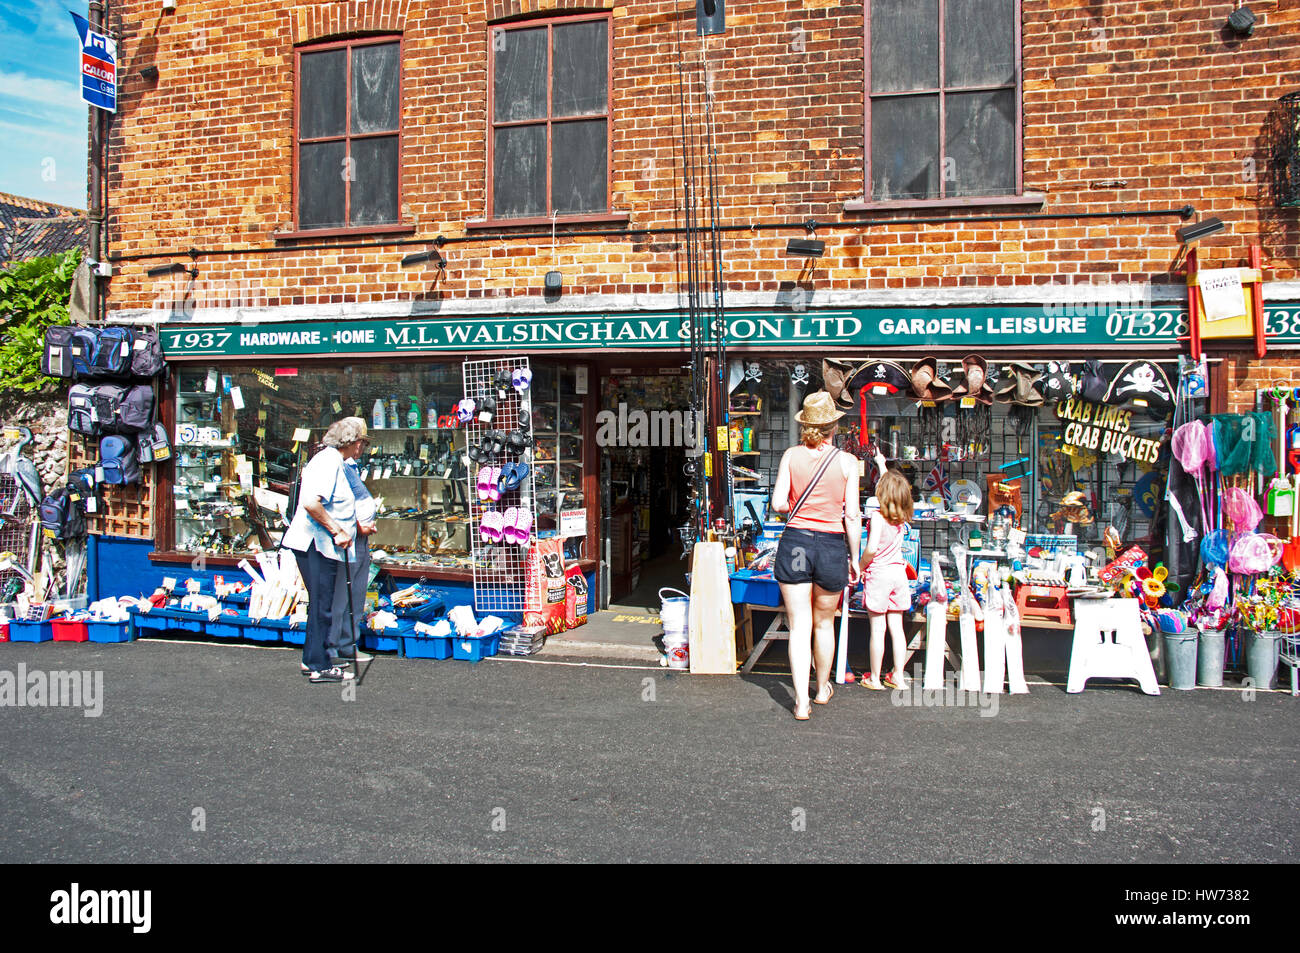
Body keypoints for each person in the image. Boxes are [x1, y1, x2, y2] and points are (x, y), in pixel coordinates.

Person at [772, 390, 861, 721]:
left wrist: (798, 505)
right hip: (831, 545)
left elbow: (778, 504)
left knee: (798, 626)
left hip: (796, 541)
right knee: (824, 623)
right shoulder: (847, 462)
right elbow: (851, 515)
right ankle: (821, 689)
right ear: (833, 426)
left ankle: (800, 702)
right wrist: (855, 557)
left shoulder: (791, 456)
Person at [282, 417, 368, 683]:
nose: (361, 447)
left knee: (322, 604)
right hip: (315, 544)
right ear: (353, 443)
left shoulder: (335, 462)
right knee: (323, 605)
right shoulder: (328, 461)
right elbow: (311, 503)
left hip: (321, 545)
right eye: (361, 442)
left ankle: (313, 660)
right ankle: (319, 665)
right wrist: (337, 531)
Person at [859, 469, 914, 691]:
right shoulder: (901, 518)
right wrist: (882, 464)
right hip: (898, 575)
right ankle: (898, 676)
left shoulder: (877, 517)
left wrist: (860, 566)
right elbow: (892, 484)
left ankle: (874, 676)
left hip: (879, 575)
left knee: (878, 629)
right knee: (897, 628)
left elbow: (871, 549)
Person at [327, 453, 376, 664]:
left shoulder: (350, 466)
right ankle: (331, 649)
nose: (362, 446)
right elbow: (337, 508)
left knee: (356, 593)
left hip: (360, 538)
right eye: (360, 441)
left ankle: (348, 645)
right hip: (347, 538)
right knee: (340, 597)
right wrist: (357, 527)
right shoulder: (334, 466)